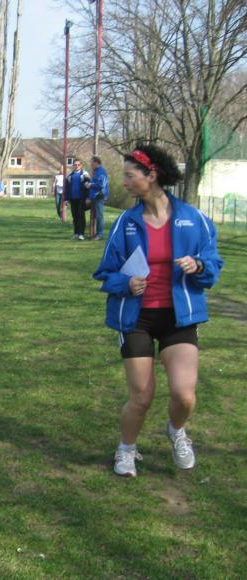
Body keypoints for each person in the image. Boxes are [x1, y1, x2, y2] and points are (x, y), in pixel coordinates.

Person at [92, 144, 223, 478]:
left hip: (179, 318)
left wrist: (198, 265)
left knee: (184, 396)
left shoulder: (193, 219)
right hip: (136, 319)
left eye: (129, 175)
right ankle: (126, 449)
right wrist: (126, 283)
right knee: (142, 397)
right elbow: (105, 273)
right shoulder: (125, 223)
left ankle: (177, 431)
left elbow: (213, 266)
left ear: (151, 176)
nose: (124, 182)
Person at [86, 155, 110, 240]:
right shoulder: (96, 171)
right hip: (94, 196)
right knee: (95, 215)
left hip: (99, 196)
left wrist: (90, 185)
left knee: (99, 216)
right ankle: (94, 233)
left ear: (96, 163)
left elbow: (101, 185)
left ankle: (100, 234)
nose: (91, 165)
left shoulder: (101, 172)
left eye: (92, 163)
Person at [65, 159, 90, 240]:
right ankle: (76, 233)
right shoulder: (69, 176)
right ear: (73, 166)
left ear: (81, 165)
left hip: (81, 198)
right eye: (75, 165)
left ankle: (81, 234)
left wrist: (88, 197)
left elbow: (88, 187)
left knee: (81, 216)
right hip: (73, 199)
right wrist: (66, 199)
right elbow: (67, 188)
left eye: (78, 164)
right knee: (75, 216)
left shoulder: (85, 174)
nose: (76, 166)